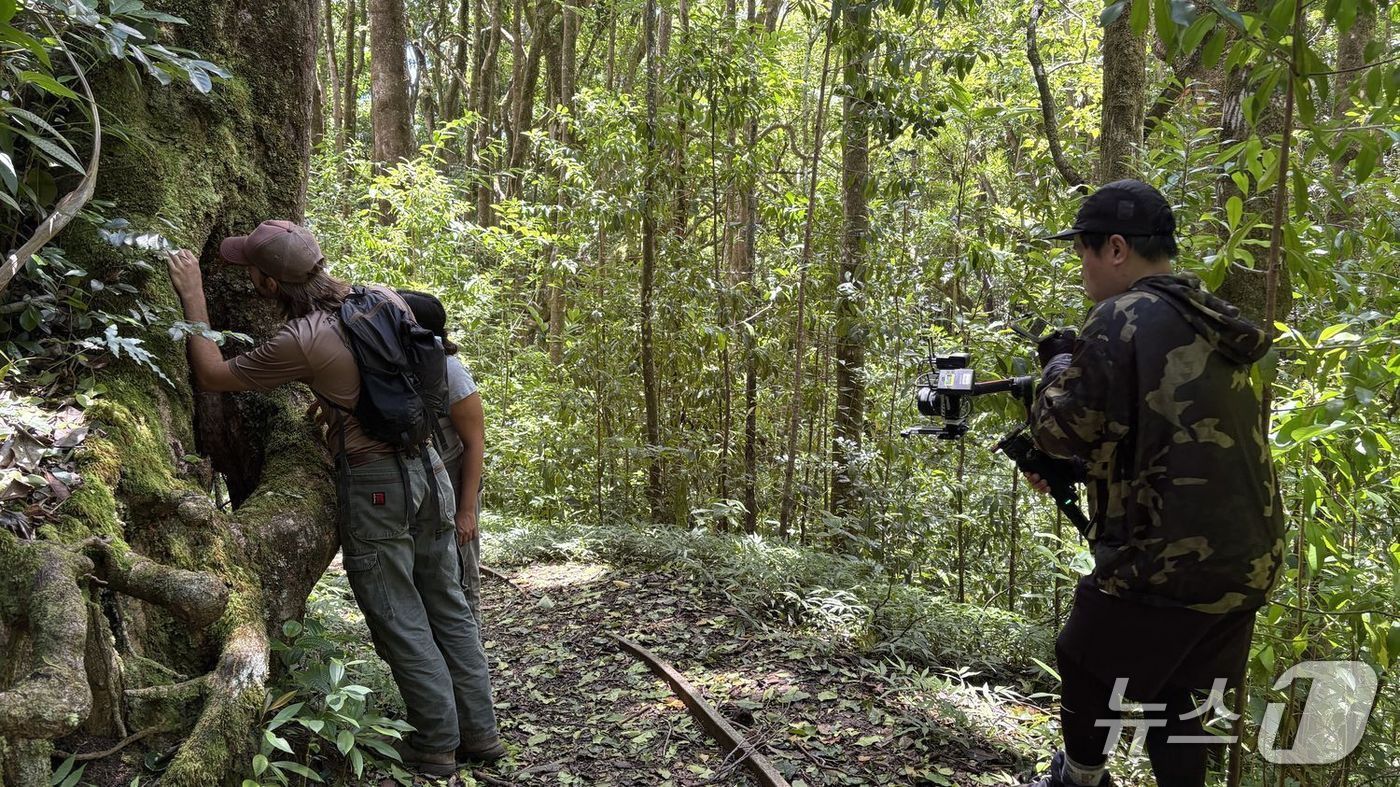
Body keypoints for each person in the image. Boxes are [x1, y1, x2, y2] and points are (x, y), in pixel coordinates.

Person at [164, 220, 505, 776]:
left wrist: (194, 295)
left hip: (375, 484)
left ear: (269, 284)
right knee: (447, 602)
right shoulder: (384, 298)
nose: (248, 275)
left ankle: (438, 743)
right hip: (431, 469)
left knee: (397, 611)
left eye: (251, 268)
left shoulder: (304, 339)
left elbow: (211, 374)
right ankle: (481, 734)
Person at [1020, 180, 1285, 787]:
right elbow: (1160, 434)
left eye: (1084, 251)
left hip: (1169, 561)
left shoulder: (1124, 315)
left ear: (1116, 249)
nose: (1081, 267)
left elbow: (1060, 428)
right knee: (1178, 692)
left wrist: (1057, 364)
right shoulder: (1210, 318)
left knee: (1082, 655)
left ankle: (1080, 777)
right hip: (1248, 556)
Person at [400, 290, 486, 623]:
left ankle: (471, 664)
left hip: (455, 482)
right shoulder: (401, 366)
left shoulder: (450, 371)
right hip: (424, 489)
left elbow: (475, 443)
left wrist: (466, 511)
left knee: (461, 578)